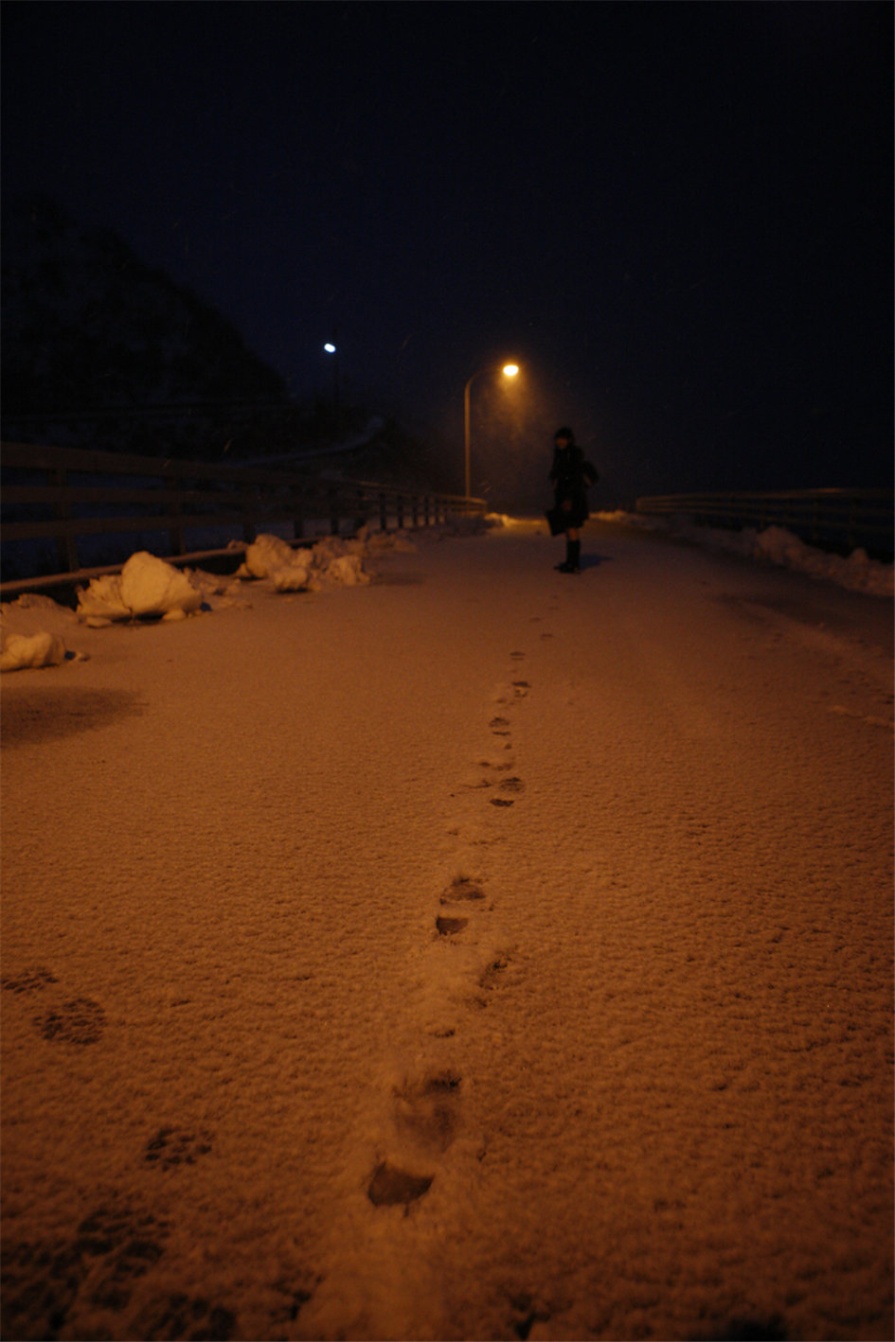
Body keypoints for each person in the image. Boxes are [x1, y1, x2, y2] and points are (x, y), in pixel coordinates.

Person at [547, 427, 598, 572]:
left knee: (572, 528)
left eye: (562, 438)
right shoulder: (561, 455)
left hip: (572, 498)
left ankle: (574, 564)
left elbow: (573, 479)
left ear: (569, 440)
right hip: (566, 497)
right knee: (569, 529)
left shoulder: (571, 455)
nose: (559, 441)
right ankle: (570, 562)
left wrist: (569, 498)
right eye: (558, 438)